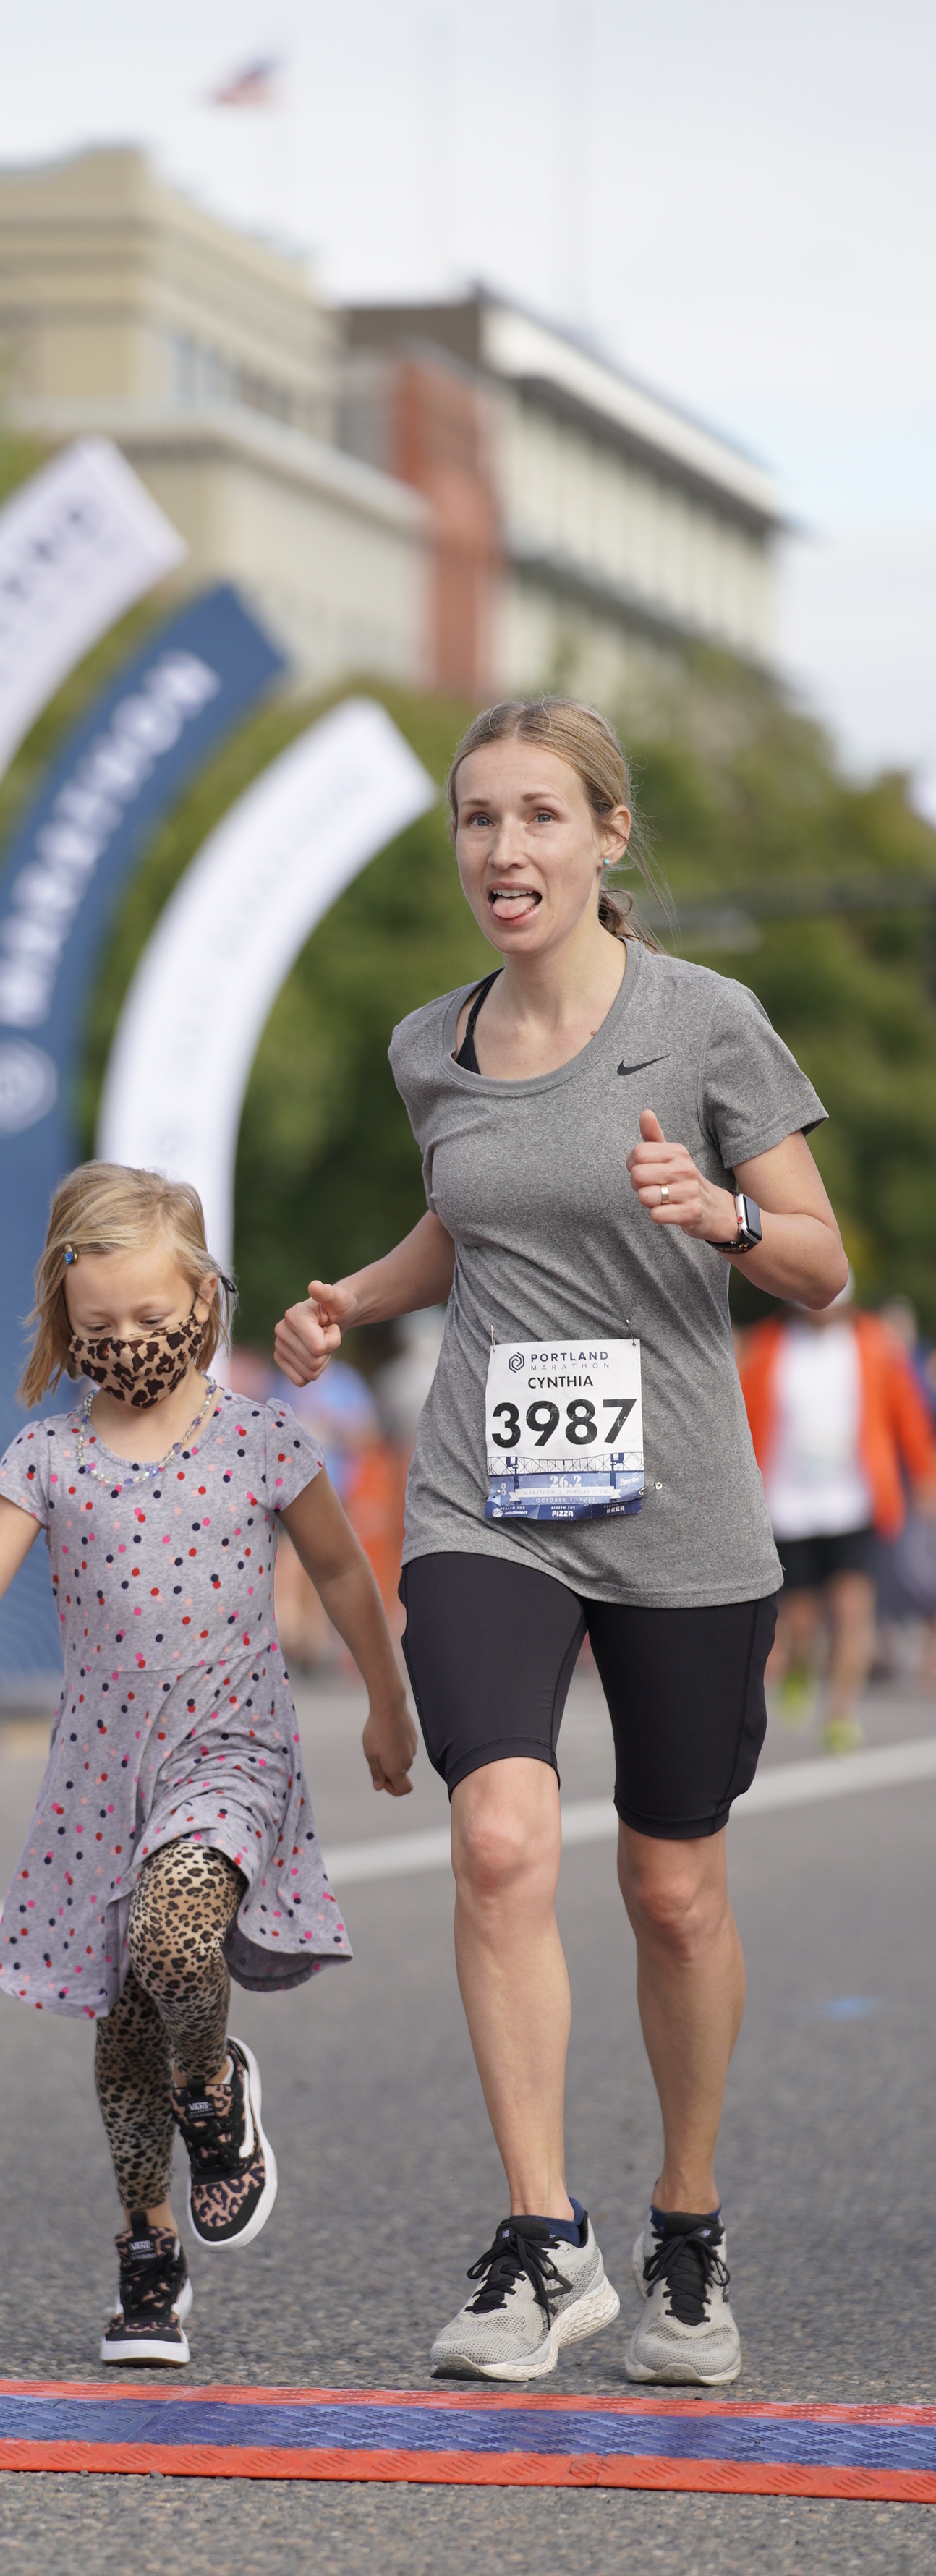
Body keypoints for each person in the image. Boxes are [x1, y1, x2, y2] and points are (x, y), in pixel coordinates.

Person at [275, 696, 848, 2389]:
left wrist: (719, 1213)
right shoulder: (427, 1045)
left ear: (607, 837)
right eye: (477, 819)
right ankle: (541, 2241)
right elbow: (466, 1222)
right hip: (486, 1499)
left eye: (537, 816)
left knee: (670, 1890)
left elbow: (819, 1261)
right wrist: (352, 1297)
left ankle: (685, 2229)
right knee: (500, 1839)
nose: (502, 849)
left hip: (677, 1505)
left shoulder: (705, 1023)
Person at [0, 1164, 417, 2367]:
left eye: (152, 1318)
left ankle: (211, 2092)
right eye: (99, 1325)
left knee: (175, 1935)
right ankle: (147, 2248)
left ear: (205, 1299)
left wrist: (389, 1701)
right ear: (64, 1320)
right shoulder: (50, 1456)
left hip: (231, 1744)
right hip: (102, 1772)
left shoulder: (263, 1440)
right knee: (120, 2019)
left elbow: (340, 1573)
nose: (126, 1343)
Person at [739, 1285, 936, 1749]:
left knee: (853, 1607)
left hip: (854, 1500)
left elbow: (906, 1412)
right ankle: (802, 1664)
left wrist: (924, 1474)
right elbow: (746, 1410)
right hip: (788, 1502)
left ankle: (841, 1712)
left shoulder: (875, 1343)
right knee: (800, 1619)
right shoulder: (769, 1345)